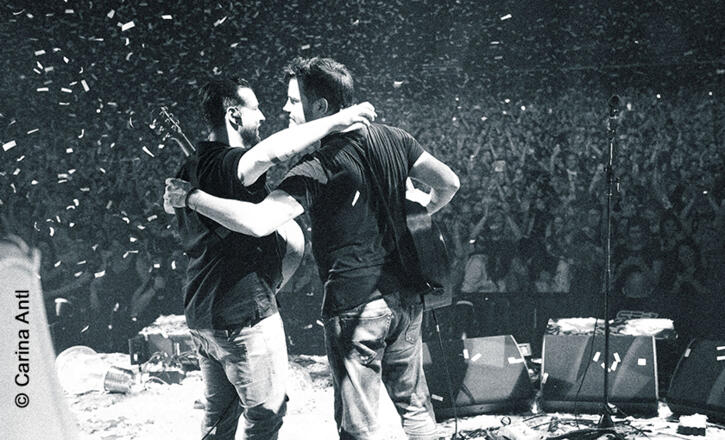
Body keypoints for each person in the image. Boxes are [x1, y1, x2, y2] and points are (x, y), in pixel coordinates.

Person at [164, 57, 460, 440]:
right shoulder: (395, 138)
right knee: (416, 410)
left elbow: (259, 222)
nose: (283, 109)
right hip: (406, 298)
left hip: (356, 305)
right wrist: (417, 213)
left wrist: (193, 198)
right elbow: (449, 183)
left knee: (360, 426)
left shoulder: (317, 165)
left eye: (293, 100)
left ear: (320, 106)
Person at [168, 77, 376, 440]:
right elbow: (269, 153)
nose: (264, 116)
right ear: (233, 115)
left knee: (219, 417)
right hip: (243, 315)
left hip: (204, 314)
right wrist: (337, 120)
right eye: (255, 108)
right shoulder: (229, 163)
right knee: (266, 415)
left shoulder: (191, 167)